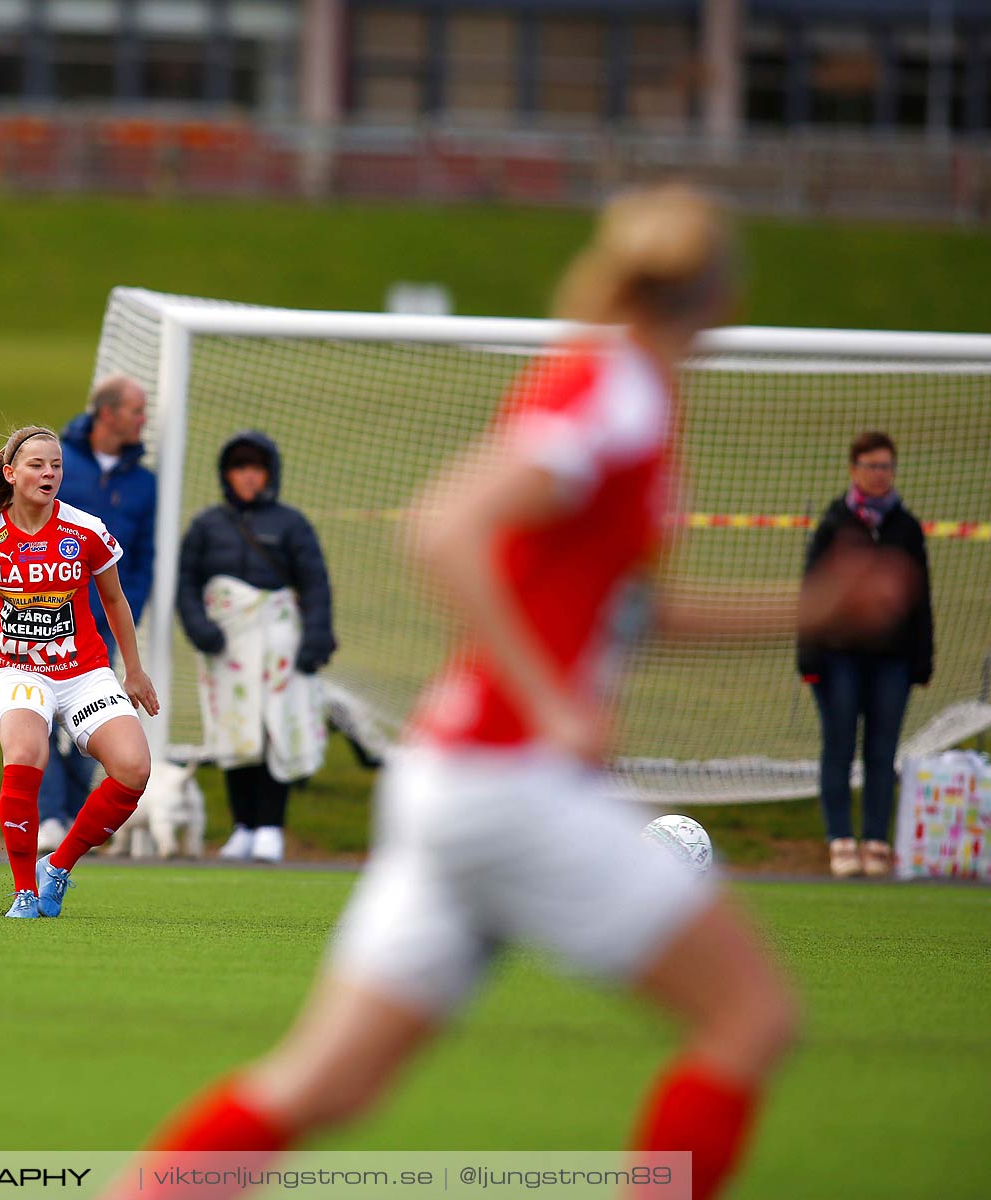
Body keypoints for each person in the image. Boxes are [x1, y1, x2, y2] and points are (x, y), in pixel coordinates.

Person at [109, 185, 914, 1200]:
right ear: (723, 294)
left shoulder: (622, 391)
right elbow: (442, 525)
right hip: (507, 781)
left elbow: (632, 611)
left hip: (457, 782)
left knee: (324, 1083)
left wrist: (817, 611)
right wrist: (550, 699)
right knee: (750, 1019)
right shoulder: (614, 388)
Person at [0, 425, 160, 918]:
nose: (50, 473)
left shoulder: (85, 530)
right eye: (37, 465)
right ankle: (25, 892)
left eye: (57, 466)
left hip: (86, 671)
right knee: (26, 753)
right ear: (10, 474)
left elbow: (114, 600)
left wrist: (133, 670)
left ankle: (59, 867)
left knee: (134, 770)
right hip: (19, 670)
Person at [176, 432, 334, 863]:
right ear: (227, 475)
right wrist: (199, 626)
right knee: (233, 729)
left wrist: (317, 637)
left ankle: (270, 826)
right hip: (228, 646)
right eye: (240, 468)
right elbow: (186, 582)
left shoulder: (291, 524)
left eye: (256, 468)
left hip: (279, 642)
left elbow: (315, 583)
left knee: (274, 727)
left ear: (269, 474)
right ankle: (243, 825)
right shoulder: (208, 526)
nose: (248, 477)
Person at [798, 431, 934, 878]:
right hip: (838, 658)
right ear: (854, 469)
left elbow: (920, 599)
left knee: (883, 750)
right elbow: (811, 594)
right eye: (873, 466)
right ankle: (840, 841)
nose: (881, 475)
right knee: (838, 745)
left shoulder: (906, 528)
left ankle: (876, 841)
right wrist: (809, 659)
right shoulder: (836, 524)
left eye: (887, 467)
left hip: (891, 661)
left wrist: (921, 658)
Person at [37, 374, 157, 855]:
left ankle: (69, 816)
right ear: (107, 414)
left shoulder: (145, 483)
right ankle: (49, 815)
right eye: (136, 411)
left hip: (103, 628)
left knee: (91, 722)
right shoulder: (62, 465)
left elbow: (142, 561)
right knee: (37, 714)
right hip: (42, 620)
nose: (144, 420)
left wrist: (127, 618)